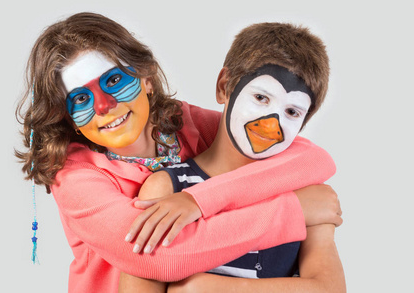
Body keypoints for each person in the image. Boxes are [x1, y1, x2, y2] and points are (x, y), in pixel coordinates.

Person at [16, 12, 341, 293]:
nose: (105, 107)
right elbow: (157, 257)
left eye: (114, 81)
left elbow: (308, 157)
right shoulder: (76, 178)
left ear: (146, 79)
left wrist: (200, 200)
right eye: (81, 100)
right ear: (65, 115)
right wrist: (292, 213)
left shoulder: (181, 122)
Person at [118, 22, 345, 292]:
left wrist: (199, 288)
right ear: (224, 87)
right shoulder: (167, 189)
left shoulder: (306, 196)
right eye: (261, 97)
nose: (272, 123)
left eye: (292, 112)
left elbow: (330, 289)